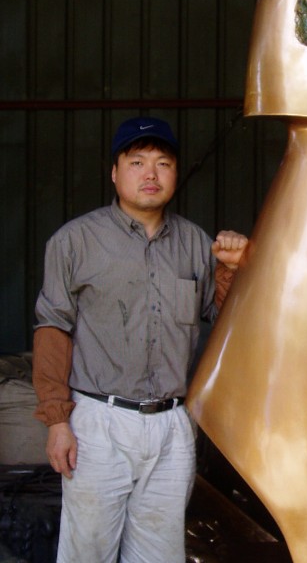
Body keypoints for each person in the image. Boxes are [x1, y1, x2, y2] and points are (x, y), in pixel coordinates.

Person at [31, 116, 248, 563]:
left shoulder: (194, 243)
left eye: (163, 163)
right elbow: (53, 328)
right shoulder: (75, 241)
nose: (151, 174)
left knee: (159, 554)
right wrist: (57, 420)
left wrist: (230, 270)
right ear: (115, 173)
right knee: (87, 553)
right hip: (99, 422)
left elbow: (223, 320)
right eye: (137, 162)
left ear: (174, 173)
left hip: (171, 426)